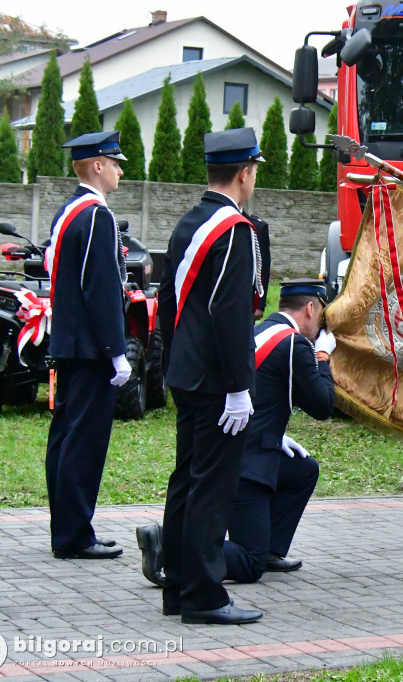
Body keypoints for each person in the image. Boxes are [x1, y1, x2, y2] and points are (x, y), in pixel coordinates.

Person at [137, 280, 335, 586]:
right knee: (248, 563)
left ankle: (270, 549)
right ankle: (170, 544)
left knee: (302, 470)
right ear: (311, 308)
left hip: (239, 445)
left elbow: (257, 392)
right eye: (322, 315)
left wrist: (274, 433)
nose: (321, 325)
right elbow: (322, 406)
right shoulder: (294, 344)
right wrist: (323, 356)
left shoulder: (258, 332)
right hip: (247, 463)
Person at [156, 128, 265, 625]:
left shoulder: (189, 222)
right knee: (211, 488)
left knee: (186, 481)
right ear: (244, 172)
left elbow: (168, 301)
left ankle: (176, 585)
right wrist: (240, 387)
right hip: (218, 382)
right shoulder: (234, 230)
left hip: (187, 369)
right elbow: (231, 315)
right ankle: (204, 594)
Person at [44, 131, 132, 560]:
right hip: (90, 349)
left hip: (70, 342)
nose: (120, 169)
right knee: (83, 441)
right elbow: (101, 288)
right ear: (96, 165)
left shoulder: (68, 212)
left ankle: (67, 528)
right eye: (114, 162)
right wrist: (116, 350)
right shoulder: (97, 216)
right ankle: (75, 536)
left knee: (65, 437)